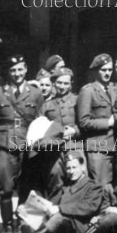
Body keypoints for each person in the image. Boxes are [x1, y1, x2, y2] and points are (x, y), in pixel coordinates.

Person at [0, 152, 104, 233]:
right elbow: (50, 205)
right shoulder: (65, 186)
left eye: (74, 167)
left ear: (83, 167)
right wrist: (28, 209)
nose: (71, 171)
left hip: (78, 230)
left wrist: (59, 208)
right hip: (59, 228)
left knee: (58, 218)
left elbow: (88, 207)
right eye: (68, 168)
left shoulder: (93, 186)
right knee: (34, 220)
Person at [0, 54, 44, 233]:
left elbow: (40, 120)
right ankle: (7, 228)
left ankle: (21, 226)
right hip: (5, 144)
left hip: (26, 144)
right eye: (13, 70)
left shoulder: (35, 93)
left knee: (26, 188)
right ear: (8, 72)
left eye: (20, 69)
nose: (17, 73)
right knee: (5, 188)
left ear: (26, 69)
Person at [38, 68, 81, 198]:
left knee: (77, 179)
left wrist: (75, 130)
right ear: (53, 83)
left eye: (66, 83)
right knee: (55, 177)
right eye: (59, 83)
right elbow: (40, 128)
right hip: (54, 150)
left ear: (71, 84)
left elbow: (85, 124)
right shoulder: (46, 105)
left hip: (75, 146)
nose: (62, 87)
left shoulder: (78, 100)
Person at [77, 53, 117, 185]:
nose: (107, 73)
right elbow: (83, 121)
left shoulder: (115, 89)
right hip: (98, 147)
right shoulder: (88, 91)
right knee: (100, 187)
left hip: (116, 146)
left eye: (110, 70)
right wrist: (108, 123)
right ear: (96, 71)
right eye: (103, 70)